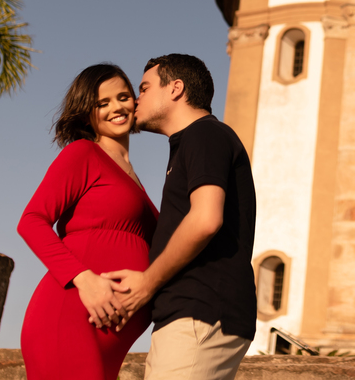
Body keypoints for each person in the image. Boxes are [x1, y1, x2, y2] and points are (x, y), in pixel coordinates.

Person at [102, 54, 257, 380]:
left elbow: (205, 219)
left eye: (143, 88)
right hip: (191, 315)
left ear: (175, 89)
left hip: (200, 312)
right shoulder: (191, 142)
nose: (135, 99)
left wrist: (147, 282)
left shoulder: (204, 134)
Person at [18, 63, 159, 380]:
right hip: (71, 316)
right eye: (102, 103)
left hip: (109, 338)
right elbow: (31, 221)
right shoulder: (83, 154)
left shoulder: (133, 175)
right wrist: (85, 278)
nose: (117, 107)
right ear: (87, 112)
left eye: (123, 96)